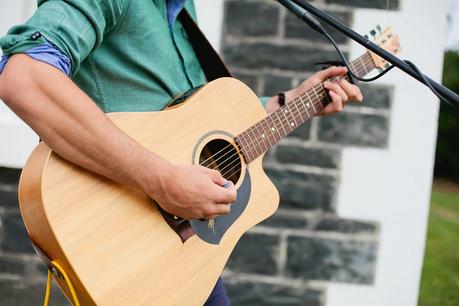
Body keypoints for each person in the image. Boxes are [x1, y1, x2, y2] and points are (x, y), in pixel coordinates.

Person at [0, 0, 363, 305]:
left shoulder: (180, 8)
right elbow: (27, 77)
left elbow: (188, 122)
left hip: (178, 253)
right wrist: (162, 181)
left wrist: (287, 103)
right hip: (125, 240)